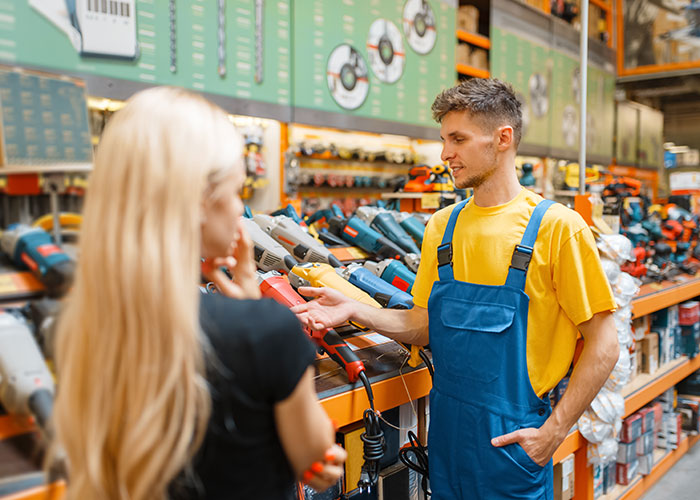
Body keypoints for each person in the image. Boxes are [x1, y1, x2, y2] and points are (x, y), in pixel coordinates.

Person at [292, 78, 619, 500]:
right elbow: (426, 325)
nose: (445, 153)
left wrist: (552, 433)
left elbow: (605, 343)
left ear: (502, 139)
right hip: (446, 435)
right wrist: (354, 309)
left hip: (514, 441)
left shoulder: (557, 228)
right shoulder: (442, 227)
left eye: (459, 139)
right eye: (444, 139)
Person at [49, 87, 345, 500]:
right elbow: (316, 456)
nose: (241, 212)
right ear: (199, 201)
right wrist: (254, 314)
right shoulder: (264, 331)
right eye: (236, 192)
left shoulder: (84, 320)